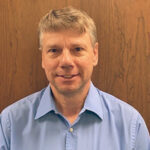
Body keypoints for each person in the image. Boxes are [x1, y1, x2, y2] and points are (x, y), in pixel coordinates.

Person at [0, 6, 150, 150]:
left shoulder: (130, 125)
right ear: (43, 58)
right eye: (54, 50)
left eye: (77, 49)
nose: (66, 61)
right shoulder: (10, 124)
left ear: (95, 54)